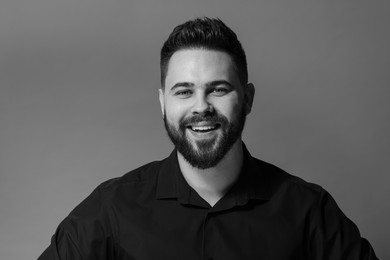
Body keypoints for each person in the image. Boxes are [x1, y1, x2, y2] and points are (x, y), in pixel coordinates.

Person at [38, 17, 378, 260]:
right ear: (163, 103)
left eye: (218, 89)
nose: (201, 107)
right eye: (184, 91)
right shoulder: (111, 209)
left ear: (247, 99)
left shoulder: (308, 211)